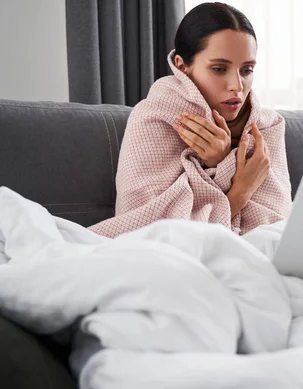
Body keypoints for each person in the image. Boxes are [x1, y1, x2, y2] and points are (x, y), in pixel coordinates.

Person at [89, 2, 292, 238]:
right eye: (219, 69)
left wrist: (222, 159)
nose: (236, 86)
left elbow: (279, 221)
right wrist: (238, 187)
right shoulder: (153, 119)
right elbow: (146, 231)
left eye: (246, 70)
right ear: (182, 66)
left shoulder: (269, 126)